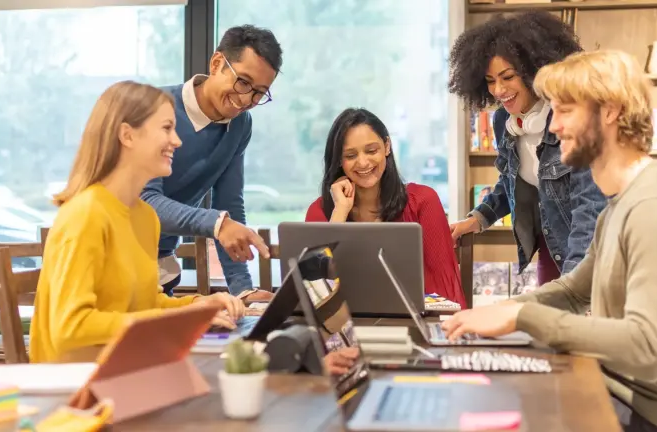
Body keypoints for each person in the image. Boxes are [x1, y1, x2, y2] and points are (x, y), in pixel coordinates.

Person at [442, 50, 657, 432]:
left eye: (564, 111)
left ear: (609, 111)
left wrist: (523, 317)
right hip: (622, 389)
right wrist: (503, 311)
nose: (553, 126)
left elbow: (648, 347)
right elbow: (576, 292)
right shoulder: (621, 203)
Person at [30, 81, 247, 364]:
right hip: (72, 385)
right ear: (127, 135)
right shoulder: (85, 214)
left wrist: (198, 305)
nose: (178, 141)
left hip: (125, 368)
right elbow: (71, 326)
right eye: (167, 128)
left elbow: (147, 304)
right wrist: (176, 320)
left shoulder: (145, 217)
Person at [447, 11, 606, 285]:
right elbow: (511, 179)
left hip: (592, 251)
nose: (498, 90)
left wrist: (571, 285)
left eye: (507, 77)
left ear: (535, 70)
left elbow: (589, 207)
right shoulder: (502, 121)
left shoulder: (570, 119)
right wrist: (477, 219)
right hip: (552, 246)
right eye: (489, 80)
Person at [141, 25, 283, 296]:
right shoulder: (154, 106)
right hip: (116, 267)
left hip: (161, 275)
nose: (246, 99)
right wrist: (217, 223)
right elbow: (145, 200)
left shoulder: (241, 125)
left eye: (259, 93)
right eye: (243, 82)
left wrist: (243, 290)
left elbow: (228, 204)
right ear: (217, 63)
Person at [305, 108, 467, 308]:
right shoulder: (320, 211)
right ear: (339, 160)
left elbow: (447, 291)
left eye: (372, 151)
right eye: (350, 155)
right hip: (348, 328)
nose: (363, 162)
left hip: (413, 323)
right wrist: (340, 212)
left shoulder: (423, 201)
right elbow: (315, 293)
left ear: (387, 146)